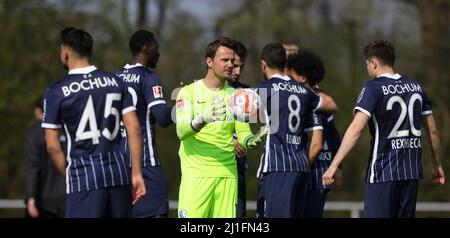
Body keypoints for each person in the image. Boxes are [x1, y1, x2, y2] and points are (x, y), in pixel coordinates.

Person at [322, 40, 445, 218]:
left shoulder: (373, 88)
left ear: (373, 63)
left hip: (382, 172)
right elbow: (433, 131)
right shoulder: (417, 88)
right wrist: (437, 164)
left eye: (367, 65)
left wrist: (333, 165)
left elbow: (357, 128)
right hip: (411, 174)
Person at [42, 27, 145, 218]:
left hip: (83, 177)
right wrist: (137, 172)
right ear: (90, 51)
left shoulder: (56, 92)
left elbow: (52, 147)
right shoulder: (116, 82)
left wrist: (69, 175)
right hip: (119, 174)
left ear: (65, 52)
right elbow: (134, 128)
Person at [175, 37, 267, 218]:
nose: (230, 65)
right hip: (196, 176)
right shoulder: (188, 92)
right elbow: (181, 131)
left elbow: (243, 135)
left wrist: (253, 141)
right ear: (209, 62)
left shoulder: (237, 96)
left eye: (232, 60)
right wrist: (201, 119)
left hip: (227, 176)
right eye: (225, 60)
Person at [255, 43, 337, 218]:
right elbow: (330, 105)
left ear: (264, 64)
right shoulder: (305, 93)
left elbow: (243, 111)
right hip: (301, 166)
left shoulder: (264, 89)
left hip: (278, 165)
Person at [116, 30, 172, 218]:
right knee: (158, 213)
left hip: (118, 163)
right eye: (156, 48)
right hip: (146, 162)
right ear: (146, 49)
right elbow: (163, 117)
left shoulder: (114, 78)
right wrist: (183, 106)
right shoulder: (149, 78)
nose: (159, 53)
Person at [286, 50, 343, 218]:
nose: (288, 76)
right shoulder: (318, 98)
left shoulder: (309, 100)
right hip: (318, 171)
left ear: (303, 78)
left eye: (291, 72)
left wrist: (338, 167)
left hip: (313, 171)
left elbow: (329, 137)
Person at [24, 96, 66, 218]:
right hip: (70, 195)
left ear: (38, 111)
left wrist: (31, 198)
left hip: (44, 200)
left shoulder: (35, 133)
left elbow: (32, 167)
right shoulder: (68, 127)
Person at [227, 40, 250, 218]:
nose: (237, 72)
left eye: (241, 67)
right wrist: (229, 141)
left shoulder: (247, 93)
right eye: (234, 66)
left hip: (237, 168)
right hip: (209, 170)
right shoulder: (203, 90)